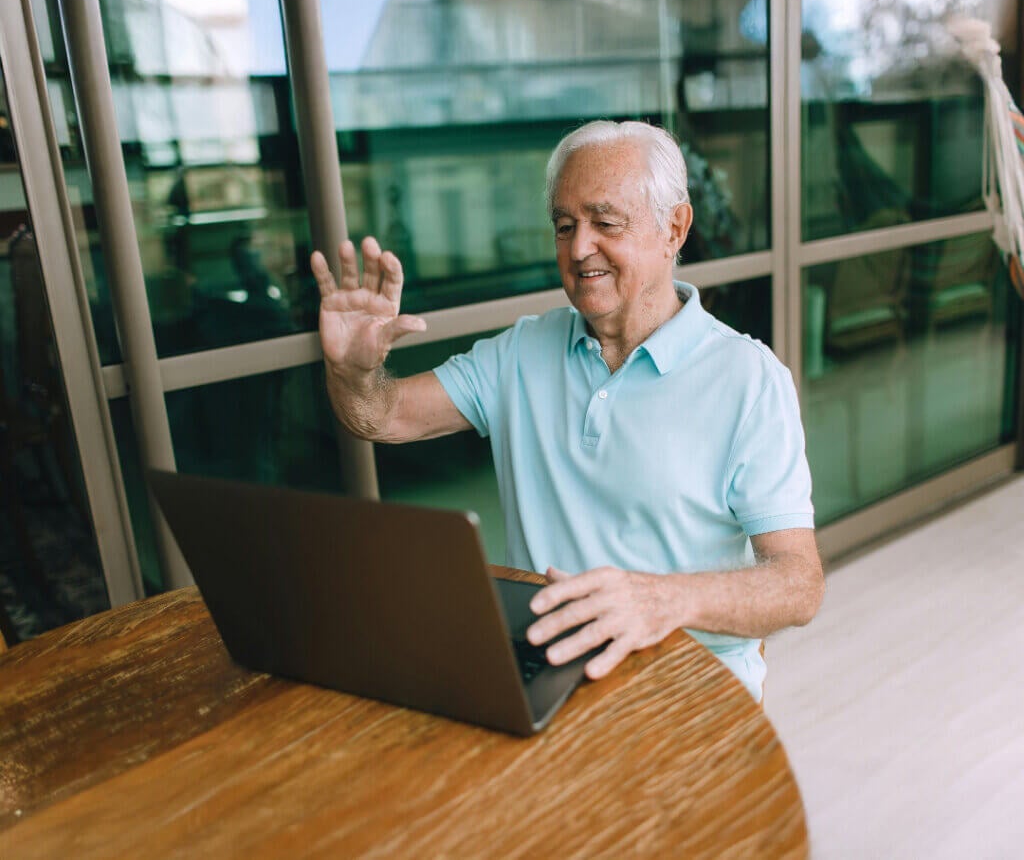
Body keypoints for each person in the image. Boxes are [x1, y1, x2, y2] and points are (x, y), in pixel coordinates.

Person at [310, 120, 823, 701]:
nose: (579, 249)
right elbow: (381, 416)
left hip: (687, 691)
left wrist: (661, 601)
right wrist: (352, 371)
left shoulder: (749, 379)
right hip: (545, 675)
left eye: (606, 223)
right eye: (564, 226)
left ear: (674, 228)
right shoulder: (521, 351)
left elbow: (797, 584)